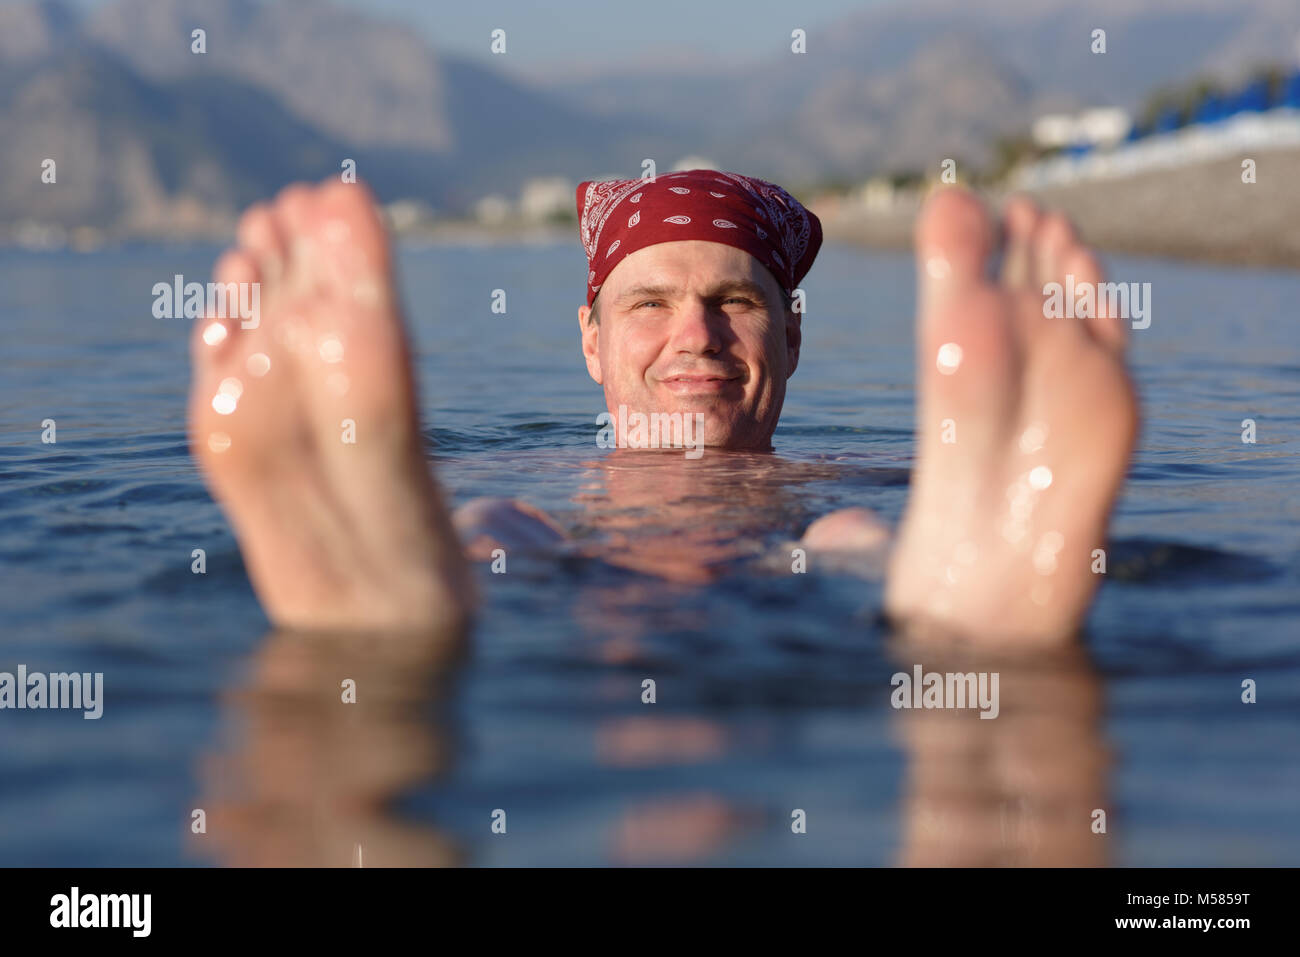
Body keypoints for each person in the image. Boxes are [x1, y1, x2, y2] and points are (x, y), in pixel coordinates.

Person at [187, 169, 1137, 645]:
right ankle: (400, 587)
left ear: (791, 338)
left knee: (847, 534)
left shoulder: (857, 488)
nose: (697, 334)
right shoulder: (521, 488)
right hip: (602, 564)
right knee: (496, 522)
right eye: (650, 303)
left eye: (734, 302)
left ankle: (960, 595)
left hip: (756, 573)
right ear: (591, 340)